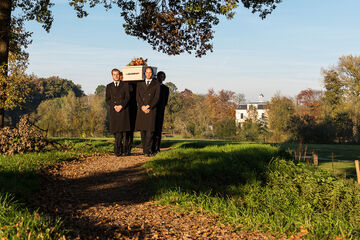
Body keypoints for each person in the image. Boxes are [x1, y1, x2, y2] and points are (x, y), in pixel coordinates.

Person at [135, 67, 160, 156]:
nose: (148, 74)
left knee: (150, 132)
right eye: (147, 72)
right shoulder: (140, 83)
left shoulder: (156, 84)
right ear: (144, 73)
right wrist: (142, 106)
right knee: (143, 132)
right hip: (142, 110)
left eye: (150, 72)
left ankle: (148, 151)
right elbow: (138, 96)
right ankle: (145, 150)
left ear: (152, 74)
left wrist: (149, 106)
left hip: (151, 110)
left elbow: (157, 98)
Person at [105, 69, 131, 156]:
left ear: (119, 75)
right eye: (114, 74)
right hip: (114, 111)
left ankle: (125, 150)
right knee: (117, 132)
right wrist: (114, 106)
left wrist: (121, 106)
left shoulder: (125, 85)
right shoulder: (109, 86)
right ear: (112, 76)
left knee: (125, 133)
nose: (116, 76)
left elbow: (127, 97)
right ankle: (117, 151)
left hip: (124, 111)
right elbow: (107, 99)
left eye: (117, 74)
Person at [153, 71, 169, 154]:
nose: (161, 78)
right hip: (152, 111)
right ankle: (151, 147)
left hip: (160, 111)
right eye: (159, 76)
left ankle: (157, 147)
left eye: (163, 76)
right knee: (151, 130)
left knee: (158, 130)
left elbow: (165, 102)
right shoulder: (153, 87)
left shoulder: (166, 89)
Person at [125, 81, 137, 155]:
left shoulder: (135, 86)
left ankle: (128, 147)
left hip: (132, 110)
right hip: (124, 111)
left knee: (130, 130)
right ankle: (125, 147)